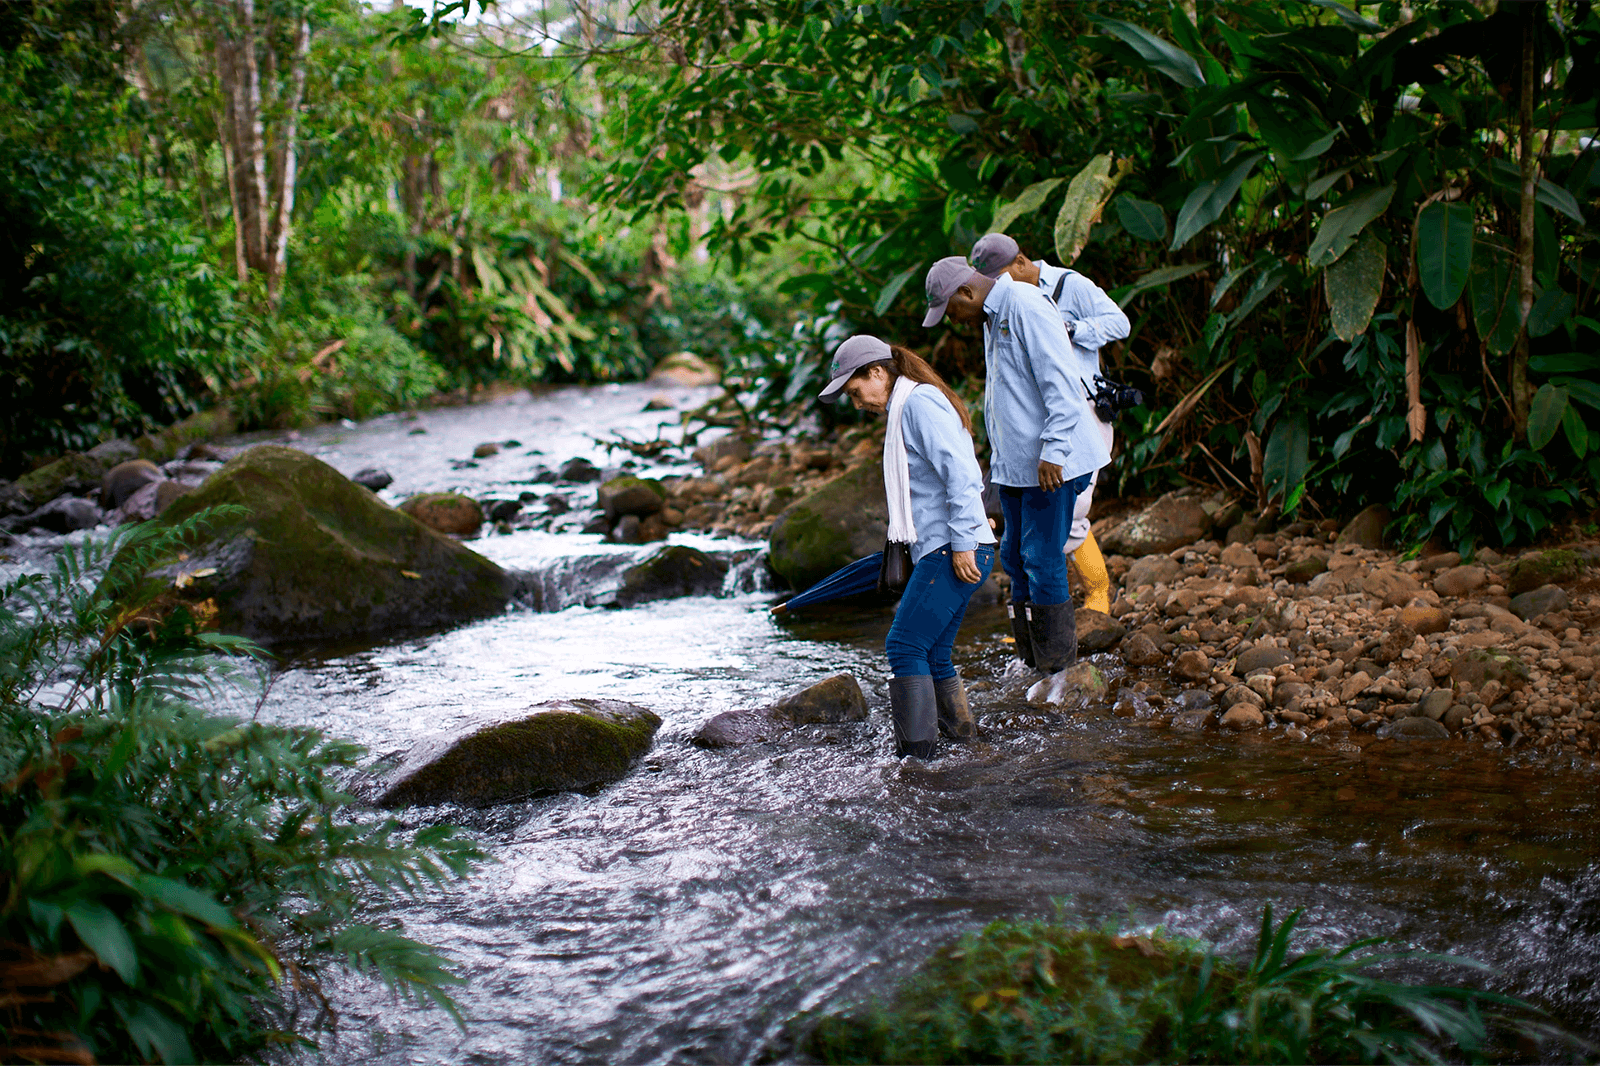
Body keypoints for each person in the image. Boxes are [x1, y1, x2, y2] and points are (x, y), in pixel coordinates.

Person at [923, 256, 1110, 673]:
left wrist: (1054, 451)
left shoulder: (1025, 304)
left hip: (1051, 463)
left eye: (951, 310)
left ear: (967, 292)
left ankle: (1059, 673)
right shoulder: (992, 316)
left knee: (1042, 557)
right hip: (1016, 464)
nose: (953, 321)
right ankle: (1030, 663)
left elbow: (1060, 383)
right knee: (1013, 554)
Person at [817, 334, 997, 760]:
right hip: (948, 545)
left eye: (856, 392)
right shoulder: (907, 406)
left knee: (903, 646)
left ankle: (917, 762)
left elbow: (963, 472)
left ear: (878, 372)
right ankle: (965, 746)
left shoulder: (918, 404)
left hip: (953, 548)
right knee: (933, 654)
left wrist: (966, 538)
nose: (857, 404)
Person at [970, 232, 1130, 615]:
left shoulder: (1068, 285)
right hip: (1037, 422)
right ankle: (1043, 622)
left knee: (1071, 515)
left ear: (1022, 262)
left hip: (1082, 414)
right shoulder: (1000, 306)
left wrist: (1069, 330)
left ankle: (1098, 595)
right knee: (1036, 536)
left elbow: (1118, 323)